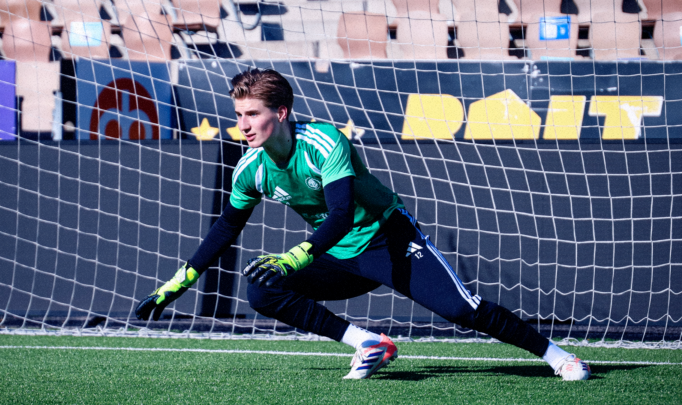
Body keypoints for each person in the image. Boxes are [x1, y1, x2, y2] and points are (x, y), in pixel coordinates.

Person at [135, 68, 591, 381]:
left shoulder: (323, 141)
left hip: (388, 241)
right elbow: (225, 228)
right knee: (262, 289)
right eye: (238, 115)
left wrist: (295, 256)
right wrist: (181, 281)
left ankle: (558, 356)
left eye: (252, 114)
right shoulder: (250, 169)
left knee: (462, 311)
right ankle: (368, 343)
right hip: (336, 255)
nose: (243, 125)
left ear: (282, 112)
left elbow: (339, 213)